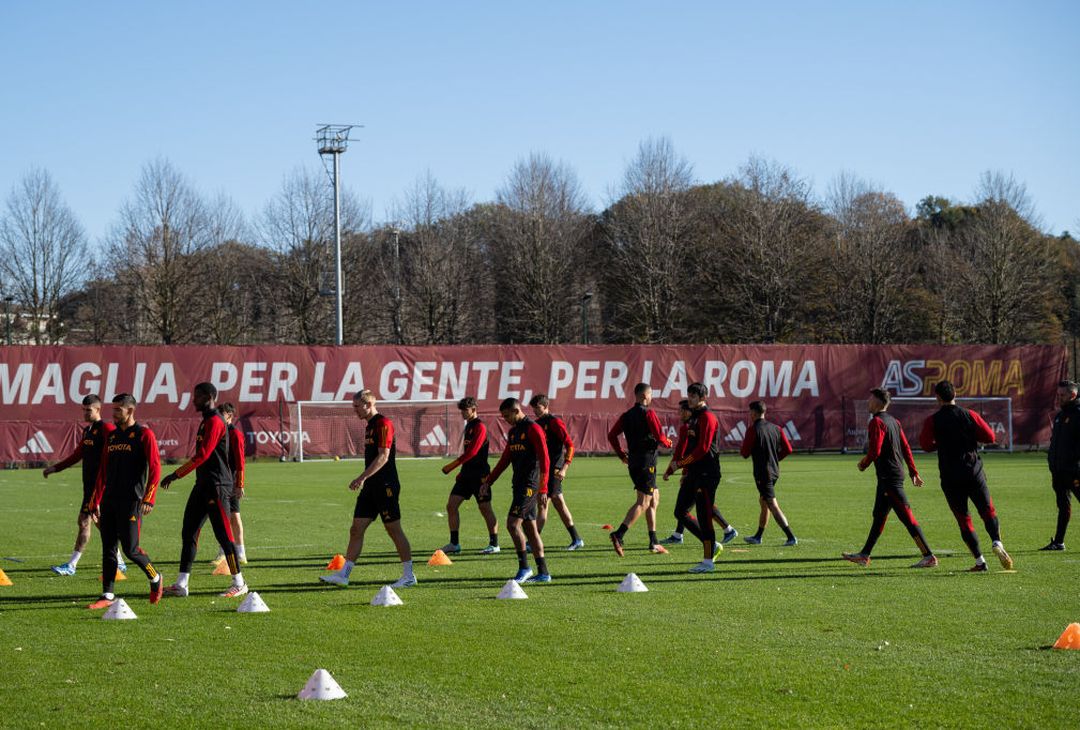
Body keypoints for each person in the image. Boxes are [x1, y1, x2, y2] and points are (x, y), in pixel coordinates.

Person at [160, 383, 248, 599]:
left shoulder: (216, 421)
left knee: (224, 536)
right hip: (202, 484)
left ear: (209, 397)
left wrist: (175, 474)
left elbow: (203, 455)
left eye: (197, 396)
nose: (193, 400)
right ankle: (182, 584)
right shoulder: (206, 421)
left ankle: (239, 583)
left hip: (217, 486)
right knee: (188, 532)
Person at [320, 390, 415, 588]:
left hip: (386, 485)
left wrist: (362, 477)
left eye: (357, 406)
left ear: (368, 404)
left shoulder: (383, 424)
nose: (354, 410)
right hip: (371, 487)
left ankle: (408, 576)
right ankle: (344, 575)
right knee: (356, 529)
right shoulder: (369, 426)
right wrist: (366, 480)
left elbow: (383, 456)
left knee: (393, 529)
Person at [919, 380, 1013, 571]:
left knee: (964, 519)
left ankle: (980, 561)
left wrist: (942, 443)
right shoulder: (970, 414)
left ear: (937, 397)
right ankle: (997, 542)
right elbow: (990, 437)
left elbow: (926, 445)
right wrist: (969, 437)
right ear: (955, 394)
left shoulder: (933, 420)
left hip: (950, 476)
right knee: (987, 511)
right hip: (973, 471)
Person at [84, 393, 164, 609]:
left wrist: (149, 498)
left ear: (130, 410)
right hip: (109, 501)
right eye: (113, 409)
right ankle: (107, 595)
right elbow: (102, 471)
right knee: (108, 548)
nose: (114, 413)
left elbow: (155, 467)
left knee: (131, 549)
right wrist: (94, 501)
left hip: (132, 502)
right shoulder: (111, 437)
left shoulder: (144, 434)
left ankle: (155, 577)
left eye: (118, 409)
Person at [843, 388, 937, 569]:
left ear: (878, 402)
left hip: (890, 478)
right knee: (879, 516)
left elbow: (875, 451)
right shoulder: (894, 421)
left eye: (870, 399)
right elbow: (906, 447)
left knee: (907, 517)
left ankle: (929, 556)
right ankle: (864, 555)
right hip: (890, 477)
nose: (868, 402)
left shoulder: (877, 422)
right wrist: (913, 472)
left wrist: (863, 463)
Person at [43, 394, 126, 576]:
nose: (85, 413)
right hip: (89, 487)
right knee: (101, 524)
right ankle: (119, 560)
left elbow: (115, 455)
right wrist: (55, 468)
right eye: (83, 410)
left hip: (100, 487)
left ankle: (72, 565)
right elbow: (77, 455)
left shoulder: (107, 429)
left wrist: (107, 485)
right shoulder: (87, 431)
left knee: (84, 521)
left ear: (98, 409)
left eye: (89, 410)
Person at [482, 397, 551, 583]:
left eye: (506, 416)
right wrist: (489, 482)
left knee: (512, 524)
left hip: (530, 486)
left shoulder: (533, 429)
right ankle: (543, 573)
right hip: (518, 485)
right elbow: (505, 460)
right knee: (530, 529)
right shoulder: (513, 432)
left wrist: (543, 488)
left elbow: (545, 459)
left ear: (516, 411)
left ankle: (524, 568)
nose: (505, 420)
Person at [662, 382, 724, 573]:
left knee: (704, 517)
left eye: (693, 396)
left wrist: (680, 464)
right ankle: (712, 546)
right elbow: (687, 447)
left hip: (707, 473)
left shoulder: (707, 417)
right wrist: (674, 469)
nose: (690, 399)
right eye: (689, 395)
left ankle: (708, 562)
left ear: (703, 398)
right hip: (694, 472)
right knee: (680, 511)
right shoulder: (694, 418)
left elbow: (703, 449)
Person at [607, 382, 673, 554]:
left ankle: (654, 541)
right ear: (645, 396)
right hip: (646, 463)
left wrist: (622, 455)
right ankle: (619, 534)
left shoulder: (626, 415)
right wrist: (668, 443)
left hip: (634, 462)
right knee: (643, 502)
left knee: (654, 499)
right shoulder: (649, 413)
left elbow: (611, 435)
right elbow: (660, 437)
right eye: (650, 394)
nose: (651, 397)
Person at [660, 400, 738, 545]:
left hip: (701, 472)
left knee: (691, 507)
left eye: (681, 410)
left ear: (688, 411)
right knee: (690, 506)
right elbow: (687, 451)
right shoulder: (692, 424)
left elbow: (687, 451)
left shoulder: (695, 423)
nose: (679, 413)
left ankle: (716, 538)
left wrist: (677, 469)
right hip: (694, 471)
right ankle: (682, 534)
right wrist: (677, 470)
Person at [440, 397, 500, 555]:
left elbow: (473, 452)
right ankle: (454, 544)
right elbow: (469, 454)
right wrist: (462, 472)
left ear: (473, 409)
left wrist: (452, 466)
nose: (462, 413)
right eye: (461, 410)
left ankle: (494, 544)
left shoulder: (480, 426)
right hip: (466, 475)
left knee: (485, 508)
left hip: (480, 476)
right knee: (451, 506)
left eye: (465, 410)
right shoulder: (469, 426)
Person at [739, 401, 798, 546]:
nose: (749, 414)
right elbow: (788, 449)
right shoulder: (776, 428)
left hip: (763, 474)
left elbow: (744, 453)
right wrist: (775, 459)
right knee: (764, 501)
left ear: (754, 413)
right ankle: (758, 537)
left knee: (771, 503)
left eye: (750, 412)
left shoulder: (753, 430)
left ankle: (791, 536)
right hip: (774, 471)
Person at [529, 394, 584, 550]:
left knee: (544, 504)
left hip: (555, 470)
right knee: (555, 504)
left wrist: (565, 468)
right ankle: (576, 539)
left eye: (537, 407)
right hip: (543, 470)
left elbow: (570, 445)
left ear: (546, 406)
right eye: (533, 408)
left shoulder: (554, 422)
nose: (535, 411)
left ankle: (533, 542)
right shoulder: (536, 424)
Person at [1042, 379, 1080, 551]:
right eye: (1058, 395)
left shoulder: (1078, 414)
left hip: (1074, 471)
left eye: (1062, 395)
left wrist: (1074, 461)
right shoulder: (1060, 416)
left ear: (1073, 395)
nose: (1059, 398)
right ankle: (1059, 542)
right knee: (1063, 507)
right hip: (1059, 471)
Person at [209, 402, 248, 566]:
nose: (218, 417)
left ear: (230, 416)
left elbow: (240, 461)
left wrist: (240, 484)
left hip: (230, 480)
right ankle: (228, 552)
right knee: (225, 516)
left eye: (221, 414)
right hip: (220, 480)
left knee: (232, 516)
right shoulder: (219, 431)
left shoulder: (235, 434)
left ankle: (238, 553)